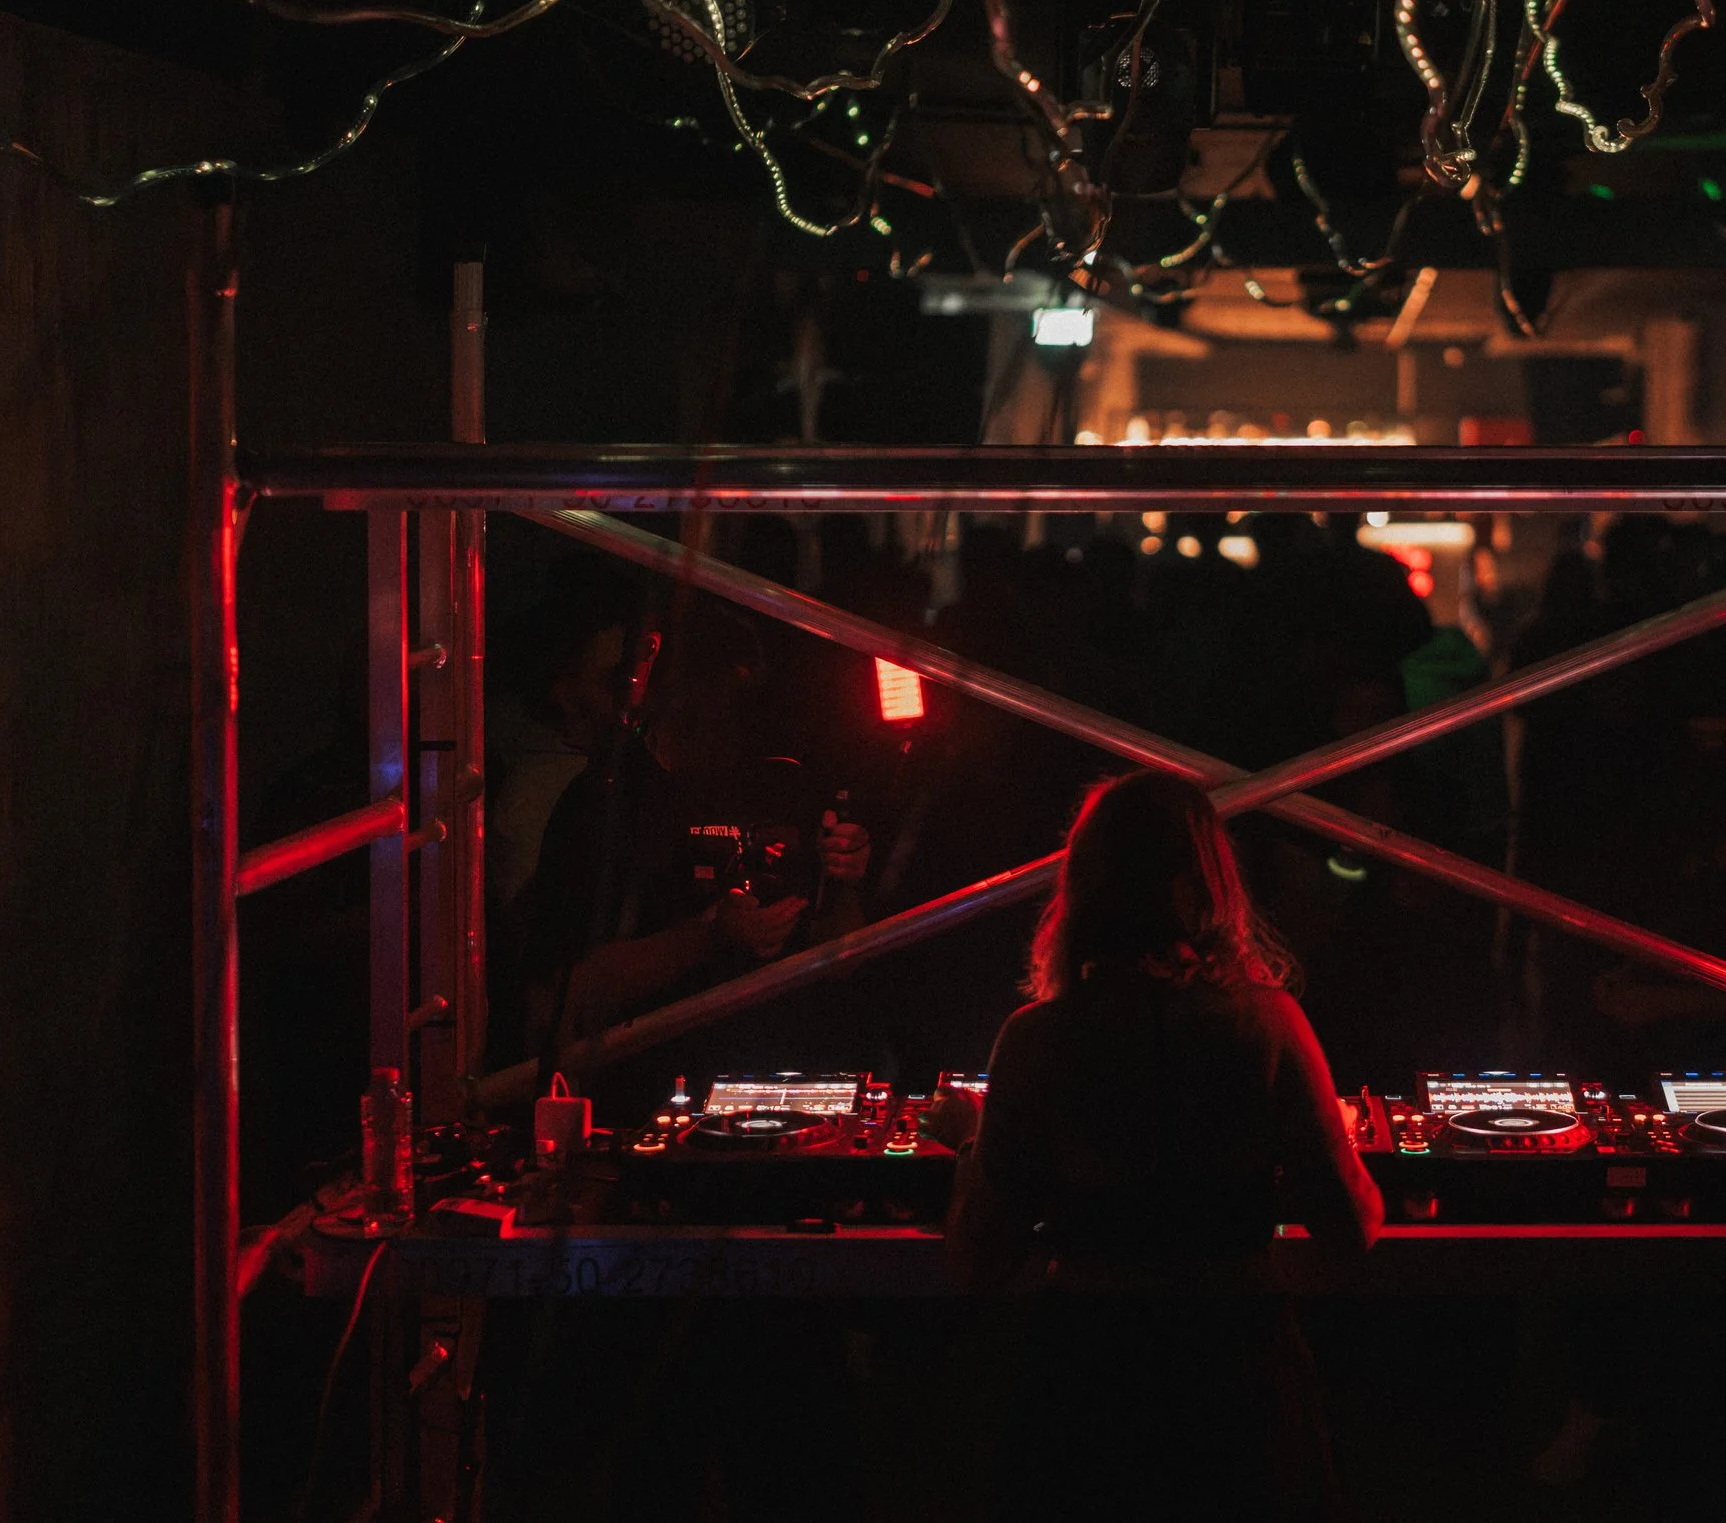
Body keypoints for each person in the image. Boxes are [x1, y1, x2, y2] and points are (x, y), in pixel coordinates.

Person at [939, 770, 1381, 1520]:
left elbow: (978, 1257)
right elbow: (1353, 1226)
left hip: (1088, 1382)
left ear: (1082, 883)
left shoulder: (1037, 1040)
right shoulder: (1267, 1024)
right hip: (1236, 1377)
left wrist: (968, 1147)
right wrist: (1339, 1133)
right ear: (1210, 881)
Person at [517, 596, 872, 1107]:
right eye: (718, 695)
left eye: (747, 700)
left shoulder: (784, 783)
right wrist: (709, 933)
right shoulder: (607, 798)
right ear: (673, 696)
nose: (733, 721)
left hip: (787, 1090)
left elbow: (842, 958)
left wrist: (843, 880)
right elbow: (564, 995)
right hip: (651, 1097)